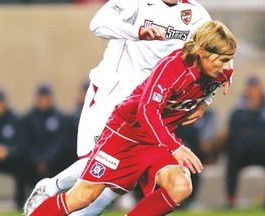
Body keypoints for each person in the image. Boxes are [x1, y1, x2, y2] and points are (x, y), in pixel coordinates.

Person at [23, 0, 231, 215]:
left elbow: (221, 47)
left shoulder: (196, 13)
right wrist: (138, 31)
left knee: (117, 186)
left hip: (152, 104)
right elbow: (98, 23)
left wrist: (206, 100)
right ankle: (50, 188)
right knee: (94, 168)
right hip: (113, 95)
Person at [226, 76, 265, 208]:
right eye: (251, 89)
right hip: (243, 152)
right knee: (231, 160)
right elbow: (233, 131)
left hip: (262, 151)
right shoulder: (239, 111)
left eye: (256, 89)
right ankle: (231, 200)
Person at [22, 84, 69, 184]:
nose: (44, 100)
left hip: (54, 161)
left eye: (46, 97)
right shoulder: (29, 118)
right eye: (41, 97)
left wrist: (47, 160)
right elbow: (26, 142)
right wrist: (38, 160)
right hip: (33, 161)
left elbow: (60, 142)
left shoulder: (59, 118)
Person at [175, 109, 216, 208]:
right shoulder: (177, 111)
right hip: (174, 148)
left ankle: (190, 200)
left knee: (194, 167)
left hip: (193, 149)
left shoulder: (208, 113)